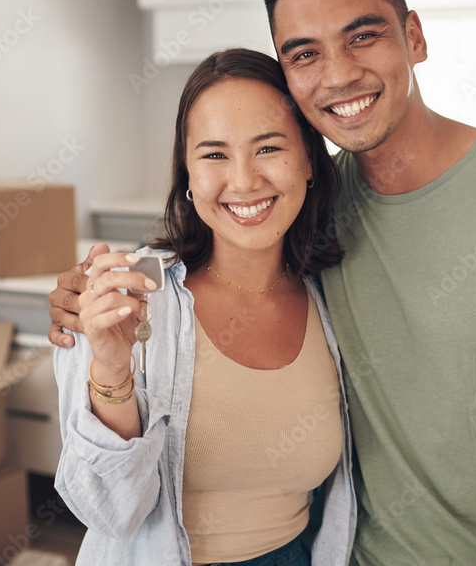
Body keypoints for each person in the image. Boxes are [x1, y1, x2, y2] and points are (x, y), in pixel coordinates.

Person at [50, 0, 476, 566]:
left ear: (414, 36)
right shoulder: (312, 218)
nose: (337, 74)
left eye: (363, 36)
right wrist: (88, 318)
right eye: (304, 53)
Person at [53, 48, 356, 566]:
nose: (243, 181)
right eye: (214, 155)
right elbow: (108, 513)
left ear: (308, 160)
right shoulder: (131, 297)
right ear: (188, 176)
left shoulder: (333, 295)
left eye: (268, 148)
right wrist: (109, 366)